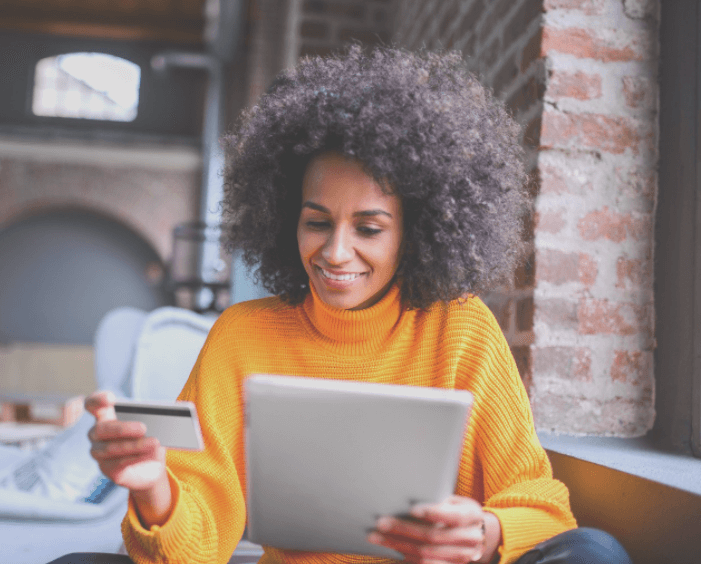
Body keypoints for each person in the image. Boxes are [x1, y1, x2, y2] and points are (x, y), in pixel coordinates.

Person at [55, 46, 631, 564]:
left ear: (415, 232)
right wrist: (154, 488)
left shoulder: (460, 327)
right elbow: (197, 544)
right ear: (286, 220)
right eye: (316, 222)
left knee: (594, 552)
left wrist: (484, 534)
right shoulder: (243, 334)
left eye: (369, 228)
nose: (335, 251)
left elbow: (545, 506)